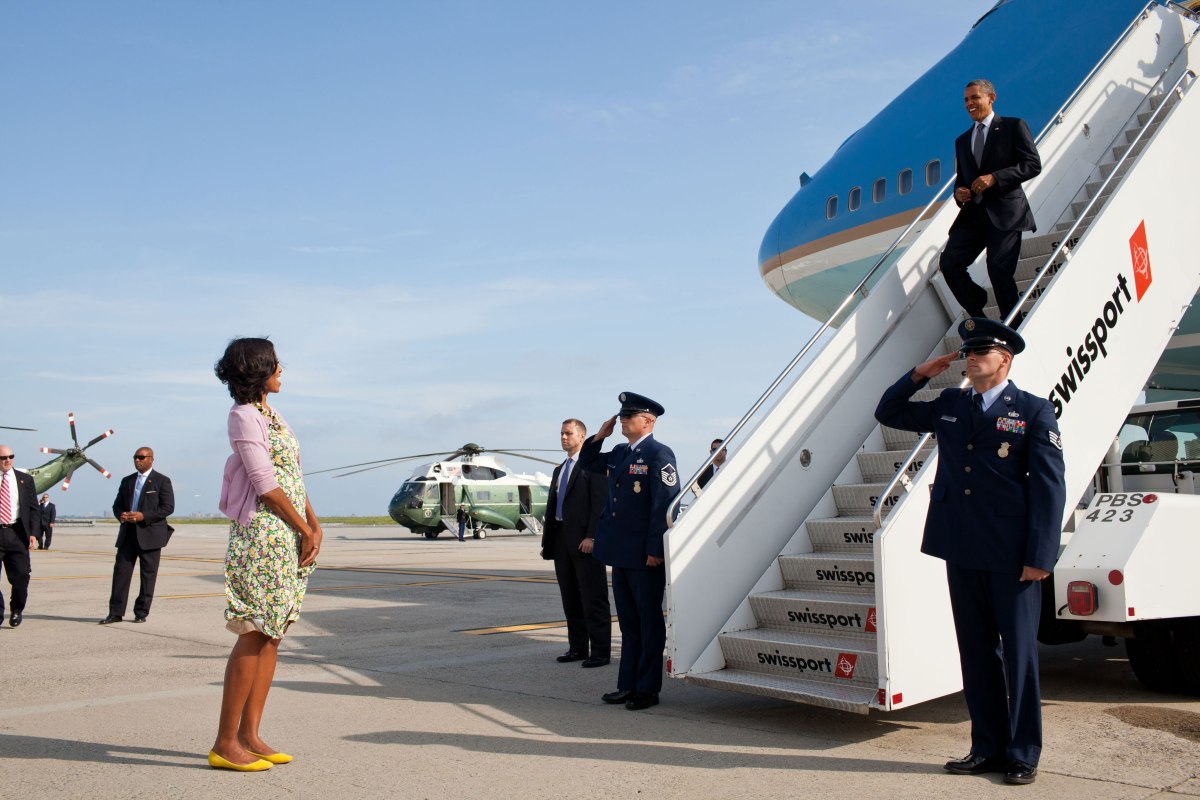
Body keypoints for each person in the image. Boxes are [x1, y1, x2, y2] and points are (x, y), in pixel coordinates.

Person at [874, 318, 1065, 785]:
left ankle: (1022, 753)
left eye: (983, 350)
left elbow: (1048, 489)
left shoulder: (1034, 412)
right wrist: (919, 372)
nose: (972, 356)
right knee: (976, 654)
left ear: (1006, 359)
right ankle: (986, 747)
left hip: (1011, 554)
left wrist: (1040, 556)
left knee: (1019, 656)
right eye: (968, 351)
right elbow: (889, 411)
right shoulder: (950, 403)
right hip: (961, 547)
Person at [210, 337, 322, 772]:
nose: (282, 370)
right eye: (276, 364)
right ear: (257, 370)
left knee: (274, 631)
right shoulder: (243, 417)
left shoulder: (271, 415)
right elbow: (263, 482)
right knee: (255, 631)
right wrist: (302, 527)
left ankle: (250, 734)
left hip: (288, 532)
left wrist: (314, 524)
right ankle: (224, 742)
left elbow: (292, 477)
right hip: (263, 534)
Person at [578, 392, 680, 710]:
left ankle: (647, 689)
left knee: (649, 622)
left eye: (628, 416)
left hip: (644, 554)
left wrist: (655, 549)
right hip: (620, 552)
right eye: (621, 415)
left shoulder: (659, 454)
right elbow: (588, 461)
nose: (622, 420)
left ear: (648, 420)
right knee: (628, 623)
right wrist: (600, 435)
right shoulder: (621, 452)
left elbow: (664, 506)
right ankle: (627, 684)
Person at [939, 79, 1041, 323]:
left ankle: (1012, 325)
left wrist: (996, 178)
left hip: (1006, 212)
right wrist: (959, 193)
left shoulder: (1012, 126)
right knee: (949, 263)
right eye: (966, 100)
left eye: (974, 97)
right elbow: (962, 180)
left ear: (991, 98)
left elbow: (1032, 165)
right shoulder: (962, 141)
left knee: (998, 268)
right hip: (974, 214)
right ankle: (978, 310)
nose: (969, 104)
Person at [541, 418, 611, 668]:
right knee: (570, 597)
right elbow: (553, 508)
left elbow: (600, 504)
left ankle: (601, 651)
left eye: (568, 433)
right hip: (561, 540)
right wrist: (548, 540)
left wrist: (592, 536)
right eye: (561, 433)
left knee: (593, 597)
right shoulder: (560, 469)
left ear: (582, 436)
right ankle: (577, 648)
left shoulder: (591, 466)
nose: (563, 437)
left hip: (584, 541)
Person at [101, 448, 175, 624]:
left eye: (141, 457)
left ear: (151, 459)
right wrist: (121, 515)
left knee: (148, 576)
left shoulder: (162, 481)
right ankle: (115, 613)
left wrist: (144, 516)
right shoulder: (127, 481)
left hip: (150, 536)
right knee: (120, 574)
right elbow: (117, 505)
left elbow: (168, 507)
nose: (137, 460)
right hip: (128, 534)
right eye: (135, 457)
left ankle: (141, 612)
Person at [0, 445, 38, 627]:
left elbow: (33, 509)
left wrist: (33, 534)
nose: (7, 460)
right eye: (3, 457)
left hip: (17, 533)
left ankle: (16, 610)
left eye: (11, 456)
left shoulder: (25, 480)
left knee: (22, 576)